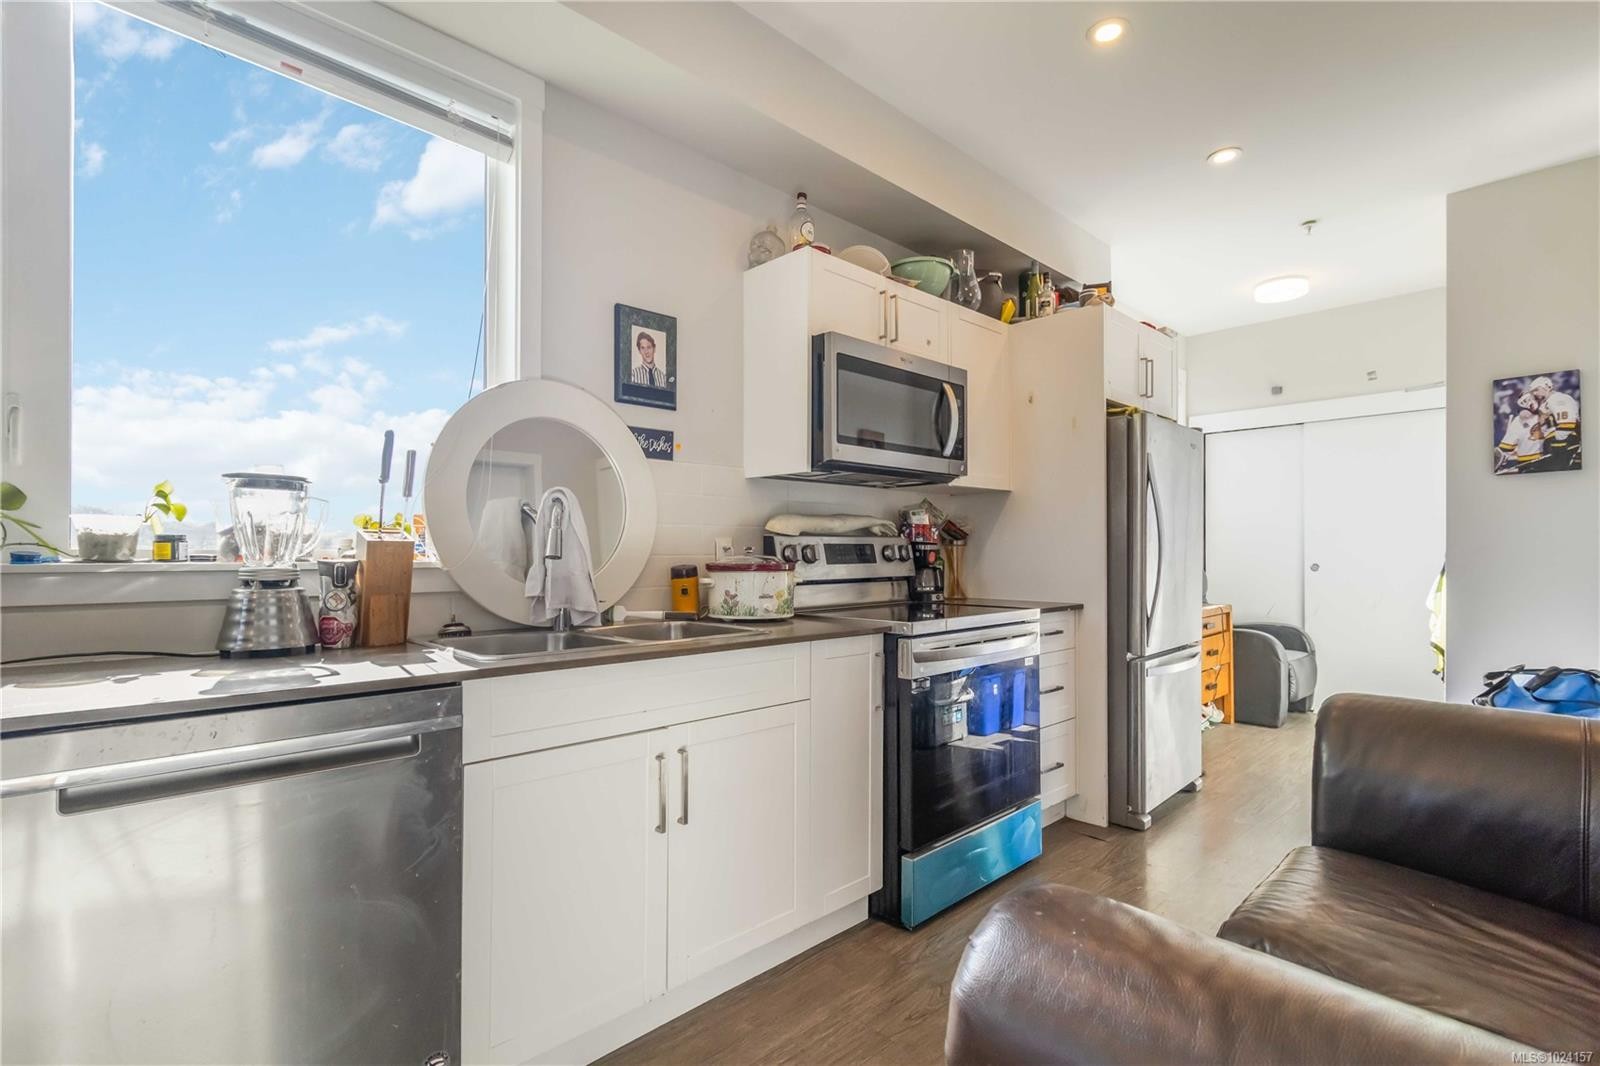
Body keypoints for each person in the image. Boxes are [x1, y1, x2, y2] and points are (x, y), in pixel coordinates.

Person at [1529, 374, 1581, 470]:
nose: (1535, 393)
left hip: (1564, 444)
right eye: (1533, 391)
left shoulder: (1558, 398)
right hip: (1556, 444)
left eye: (1536, 389)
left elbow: (1567, 423)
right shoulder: (1547, 402)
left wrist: (1558, 444)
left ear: (1547, 386)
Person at [1495, 391, 1549, 473]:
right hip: (1540, 463)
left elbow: (1506, 448)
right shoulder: (1520, 420)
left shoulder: (1518, 420)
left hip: (1532, 464)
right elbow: (1505, 449)